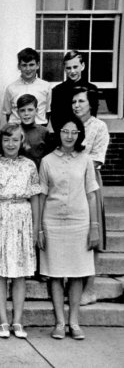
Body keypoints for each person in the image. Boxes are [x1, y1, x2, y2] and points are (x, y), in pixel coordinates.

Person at [38, 115, 99, 341]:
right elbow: (42, 196)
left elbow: (92, 195)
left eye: (74, 132)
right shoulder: (47, 161)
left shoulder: (85, 160)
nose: (69, 136)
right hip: (52, 222)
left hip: (79, 222)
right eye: (65, 131)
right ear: (58, 133)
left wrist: (94, 227)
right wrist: (40, 229)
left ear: (80, 135)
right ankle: (59, 322)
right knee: (55, 274)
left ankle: (74, 321)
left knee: (76, 274)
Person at [0, 124, 41, 339]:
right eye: (6, 140)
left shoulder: (30, 166)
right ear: (0, 142)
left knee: (19, 274)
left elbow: (34, 197)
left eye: (15, 139)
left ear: (22, 141)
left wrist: (36, 228)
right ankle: (3, 321)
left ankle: (17, 321)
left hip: (22, 217)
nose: (10, 144)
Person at [72, 86, 110, 306]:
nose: (77, 105)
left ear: (91, 104)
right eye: (74, 102)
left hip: (89, 182)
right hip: (69, 182)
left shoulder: (99, 127)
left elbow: (96, 158)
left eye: (81, 102)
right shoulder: (70, 125)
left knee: (92, 236)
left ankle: (90, 287)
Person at [50, 50, 98, 133]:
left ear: (82, 66)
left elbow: (92, 118)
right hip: (65, 137)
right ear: (64, 69)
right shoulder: (57, 91)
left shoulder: (92, 89)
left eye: (75, 67)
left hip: (86, 136)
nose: (72, 71)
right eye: (68, 68)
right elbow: (55, 120)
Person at [3, 48, 52, 126]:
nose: (28, 69)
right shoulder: (11, 88)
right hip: (17, 129)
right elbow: (8, 113)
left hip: (38, 128)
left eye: (31, 65)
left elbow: (48, 111)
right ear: (19, 66)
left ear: (38, 65)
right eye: (24, 65)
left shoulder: (46, 87)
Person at [16, 94, 52, 170]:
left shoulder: (44, 132)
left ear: (36, 111)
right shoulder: (13, 131)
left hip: (38, 173)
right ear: (17, 112)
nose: (26, 114)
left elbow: (49, 159)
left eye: (30, 110)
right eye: (22, 110)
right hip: (17, 174)